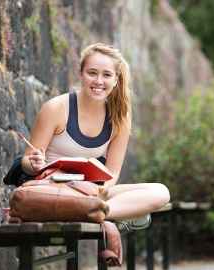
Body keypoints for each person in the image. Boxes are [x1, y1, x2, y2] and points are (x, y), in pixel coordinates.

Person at [19, 43, 170, 223]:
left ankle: (100, 211)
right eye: (92, 73)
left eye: (106, 75)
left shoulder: (120, 117)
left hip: (91, 192)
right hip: (51, 189)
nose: (99, 81)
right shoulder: (56, 108)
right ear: (81, 74)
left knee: (161, 192)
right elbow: (26, 162)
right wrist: (34, 164)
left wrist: (97, 191)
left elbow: (112, 173)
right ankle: (94, 209)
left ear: (115, 79)